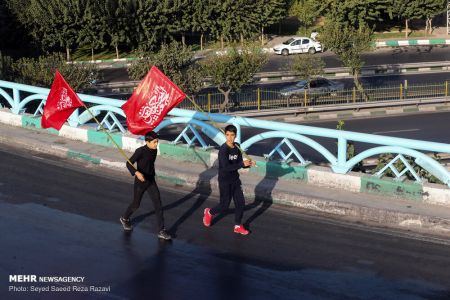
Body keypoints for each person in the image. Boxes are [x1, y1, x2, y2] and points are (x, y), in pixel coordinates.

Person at [202, 125, 255, 235]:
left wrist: (248, 164)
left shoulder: (237, 146)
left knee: (240, 203)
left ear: (235, 136)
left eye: (232, 135)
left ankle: (237, 225)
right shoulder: (223, 150)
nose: (230, 137)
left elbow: (238, 163)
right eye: (227, 135)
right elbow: (226, 167)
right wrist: (242, 163)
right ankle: (209, 212)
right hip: (224, 181)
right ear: (225, 135)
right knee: (224, 206)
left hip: (235, 180)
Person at [119, 131, 172, 240]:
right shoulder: (140, 151)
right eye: (154, 142)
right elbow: (128, 163)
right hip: (140, 182)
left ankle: (161, 230)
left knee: (158, 204)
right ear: (147, 142)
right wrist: (137, 173)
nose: (156, 144)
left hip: (151, 181)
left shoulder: (155, 150)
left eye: (157, 142)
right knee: (136, 204)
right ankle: (125, 218)